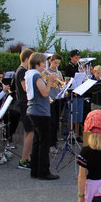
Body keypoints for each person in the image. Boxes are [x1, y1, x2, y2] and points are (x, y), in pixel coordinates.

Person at [26, 52, 59, 180]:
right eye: (43, 63)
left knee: (37, 142)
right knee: (44, 142)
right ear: (38, 63)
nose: (45, 66)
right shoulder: (36, 76)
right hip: (40, 112)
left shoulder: (29, 74)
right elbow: (45, 93)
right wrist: (49, 82)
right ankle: (44, 172)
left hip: (34, 110)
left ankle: (35, 170)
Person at [15, 48, 35, 170]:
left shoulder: (22, 70)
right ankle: (23, 160)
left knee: (28, 132)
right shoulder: (22, 71)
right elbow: (25, 89)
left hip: (24, 104)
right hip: (25, 104)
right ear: (27, 59)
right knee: (30, 132)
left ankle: (27, 157)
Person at [63, 49, 84, 141]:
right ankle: (70, 135)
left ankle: (77, 134)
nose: (78, 59)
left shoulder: (79, 67)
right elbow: (67, 81)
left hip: (80, 93)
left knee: (79, 114)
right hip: (73, 93)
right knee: (72, 114)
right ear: (71, 58)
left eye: (79, 57)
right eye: (76, 58)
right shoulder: (68, 67)